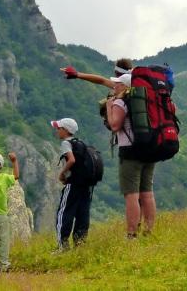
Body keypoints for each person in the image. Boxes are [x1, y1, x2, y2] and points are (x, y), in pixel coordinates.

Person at [104, 73, 157, 238]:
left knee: (131, 194)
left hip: (130, 153)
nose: (114, 86)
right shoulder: (145, 101)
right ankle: (148, 231)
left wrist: (108, 106)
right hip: (149, 150)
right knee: (147, 193)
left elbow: (114, 125)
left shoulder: (121, 101)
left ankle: (131, 234)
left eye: (118, 84)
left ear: (125, 86)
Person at [50, 118, 94, 250]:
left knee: (64, 213)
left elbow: (72, 160)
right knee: (82, 214)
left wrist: (62, 173)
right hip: (86, 185)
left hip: (73, 184)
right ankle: (79, 245)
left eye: (59, 128)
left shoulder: (66, 143)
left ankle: (62, 247)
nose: (57, 131)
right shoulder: (80, 143)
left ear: (65, 130)